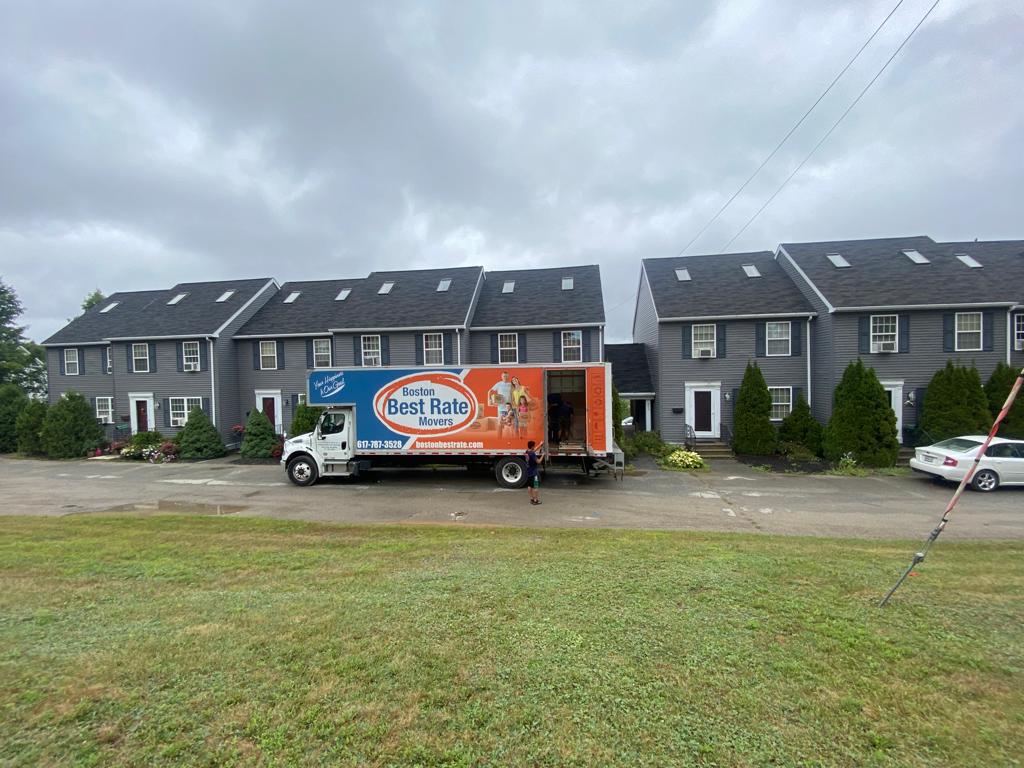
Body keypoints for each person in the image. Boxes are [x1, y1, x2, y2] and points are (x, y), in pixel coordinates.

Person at [525, 440, 543, 505]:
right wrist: (543, 455)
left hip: (529, 472)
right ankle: (536, 500)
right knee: (535, 487)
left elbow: (533, 450)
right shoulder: (532, 453)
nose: (534, 447)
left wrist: (540, 444)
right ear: (532, 446)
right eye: (534, 446)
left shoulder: (527, 452)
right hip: (534, 473)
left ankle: (532, 499)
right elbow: (538, 461)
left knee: (529, 486)